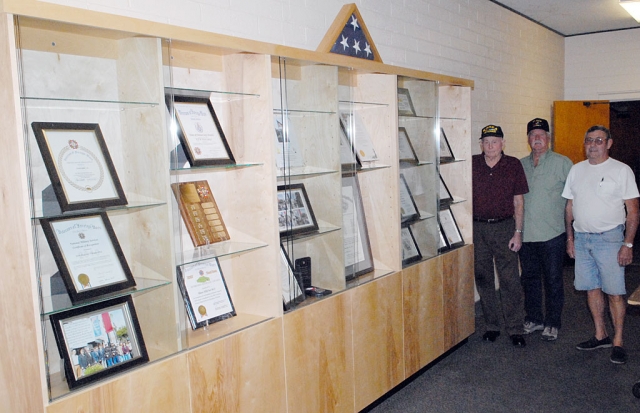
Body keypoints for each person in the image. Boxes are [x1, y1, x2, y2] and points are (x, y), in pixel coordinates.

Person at [563, 125, 639, 364]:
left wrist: (628, 244)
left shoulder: (621, 170)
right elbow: (569, 208)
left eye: (598, 140)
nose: (593, 145)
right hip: (582, 239)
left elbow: (633, 210)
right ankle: (600, 334)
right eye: (589, 140)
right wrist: (570, 238)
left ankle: (618, 341)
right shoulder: (576, 170)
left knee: (615, 292)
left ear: (608, 143)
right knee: (591, 288)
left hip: (610, 239)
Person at [473, 124, 529, 347]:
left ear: (503, 144)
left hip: (505, 227)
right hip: (478, 229)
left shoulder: (513, 165)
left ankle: (515, 328)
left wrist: (518, 232)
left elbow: (519, 201)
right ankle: (492, 325)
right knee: (483, 277)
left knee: (509, 279)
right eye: (486, 142)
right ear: (481, 144)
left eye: (495, 142)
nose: (490, 146)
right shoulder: (474, 164)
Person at [519, 118, 573, 341]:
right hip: (526, 234)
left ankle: (552, 322)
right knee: (529, 279)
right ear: (528, 139)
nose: (537, 138)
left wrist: (572, 234)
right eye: (533, 135)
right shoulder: (520, 164)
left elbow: (573, 199)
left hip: (553, 235)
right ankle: (534, 318)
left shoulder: (563, 163)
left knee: (553, 280)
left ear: (548, 138)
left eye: (541, 134)